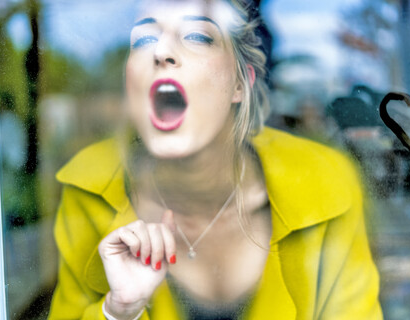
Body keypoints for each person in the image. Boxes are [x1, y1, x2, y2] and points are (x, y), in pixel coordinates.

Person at [48, 0, 382, 319]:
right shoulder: (89, 191)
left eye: (197, 36)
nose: (161, 52)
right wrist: (118, 312)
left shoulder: (324, 185)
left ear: (241, 83)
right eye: (144, 38)